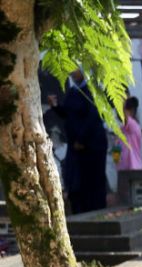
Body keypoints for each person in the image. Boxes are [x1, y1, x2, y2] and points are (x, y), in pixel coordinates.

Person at [48, 69, 108, 214]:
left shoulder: (92, 91)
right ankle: (79, 212)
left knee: (91, 183)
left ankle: (94, 213)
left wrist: (82, 139)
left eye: (75, 70)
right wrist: (55, 106)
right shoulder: (74, 91)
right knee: (76, 182)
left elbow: (93, 118)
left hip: (91, 147)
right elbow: (69, 114)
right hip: (76, 148)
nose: (72, 73)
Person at [117, 96, 142, 171]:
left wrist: (121, 102)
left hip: (134, 168)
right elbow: (116, 148)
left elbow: (126, 118)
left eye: (126, 108)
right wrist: (117, 163)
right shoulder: (122, 129)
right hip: (123, 170)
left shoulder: (134, 125)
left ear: (132, 111)